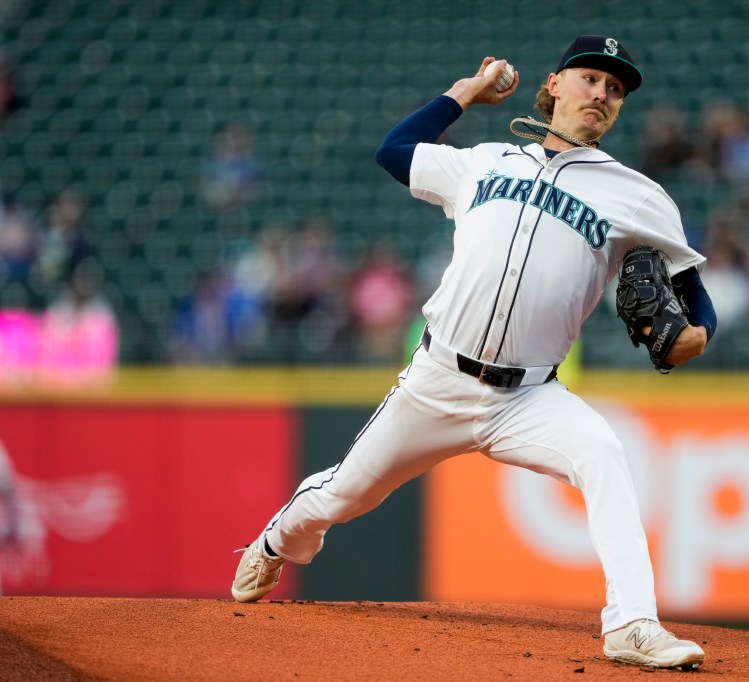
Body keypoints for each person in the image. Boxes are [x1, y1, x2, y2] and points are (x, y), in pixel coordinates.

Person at [231, 35, 717, 670]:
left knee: (602, 454)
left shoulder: (638, 196)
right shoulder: (486, 162)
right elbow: (393, 152)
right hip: (437, 380)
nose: (602, 93)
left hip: (529, 397)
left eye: (616, 89)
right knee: (342, 496)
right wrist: (465, 93)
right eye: (591, 78)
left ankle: (631, 625)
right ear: (555, 85)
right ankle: (275, 541)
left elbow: (691, 290)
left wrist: (698, 334)